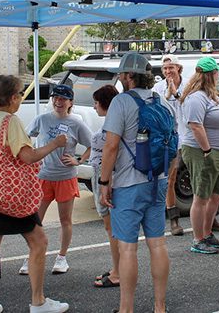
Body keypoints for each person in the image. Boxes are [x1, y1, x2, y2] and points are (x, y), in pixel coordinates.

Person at [0, 74, 69, 313]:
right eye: (20, 94)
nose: (20, 99)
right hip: (12, 196)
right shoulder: (11, 122)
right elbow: (27, 156)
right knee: (39, 241)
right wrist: (54, 144)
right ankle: (38, 302)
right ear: (12, 97)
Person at [99, 52, 171, 313]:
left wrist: (104, 181)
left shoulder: (121, 103)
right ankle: (159, 307)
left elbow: (111, 146)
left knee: (128, 249)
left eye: (121, 73)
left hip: (129, 183)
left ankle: (126, 309)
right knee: (158, 244)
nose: (119, 77)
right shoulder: (162, 101)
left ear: (130, 76)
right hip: (158, 179)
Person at [26, 84, 93, 275]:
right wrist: (31, 157)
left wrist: (78, 160)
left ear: (71, 102)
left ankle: (62, 257)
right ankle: (32, 256)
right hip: (43, 176)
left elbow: (92, 144)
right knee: (35, 219)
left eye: (63, 99)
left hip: (65, 177)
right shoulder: (42, 119)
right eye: (55, 98)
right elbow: (26, 137)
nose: (58, 102)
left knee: (65, 219)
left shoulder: (76, 123)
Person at [180, 56, 219, 254]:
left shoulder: (212, 95)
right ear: (209, 75)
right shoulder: (196, 97)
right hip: (202, 151)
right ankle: (198, 239)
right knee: (202, 195)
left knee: (216, 194)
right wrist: (207, 150)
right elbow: (195, 125)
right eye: (216, 72)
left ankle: (207, 233)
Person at [89, 85, 121, 289]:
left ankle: (118, 272)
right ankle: (116, 268)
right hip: (104, 174)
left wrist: (104, 183)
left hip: (106, 176)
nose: (93, 107)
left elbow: (111, 151)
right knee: (111, 227)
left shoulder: (112, 124)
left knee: (112, 228)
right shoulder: (114, 121)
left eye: (95, 103)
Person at [153, 53, 187, 236]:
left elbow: (192, 104)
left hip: (190, 138)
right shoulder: (158, 87)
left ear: (178, 69)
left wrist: (176, 94)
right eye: (165, 69)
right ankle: (174, 219)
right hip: (171, 140)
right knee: (170, 179)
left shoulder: (188, 84)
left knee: (199, 178)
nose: (168, 72)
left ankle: (210, 217)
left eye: (171, 68)